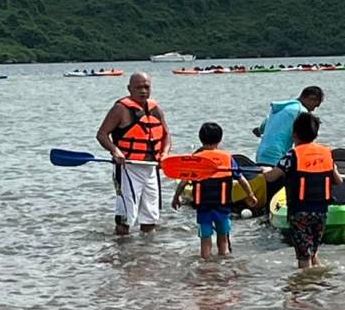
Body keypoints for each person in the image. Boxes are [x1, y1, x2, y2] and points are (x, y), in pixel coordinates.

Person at [263, 112, 345, 269]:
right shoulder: (326, 153)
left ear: (294, 134)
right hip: (321, 212)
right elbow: (338, 180)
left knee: (303, 255)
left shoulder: (292, 155)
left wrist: (264, 170)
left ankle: (306, 287)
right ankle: (318, 282)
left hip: (299, 212)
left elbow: (271, 177)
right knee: (313, 250)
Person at [95, 72, 169, 235]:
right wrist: (115, 151)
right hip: (128, 168)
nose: (143, 91)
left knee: (150, 219)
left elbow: (166, 136)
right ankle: (121, 254)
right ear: (129, 88)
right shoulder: (120, 109)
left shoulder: (155, 109)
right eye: (138, 87)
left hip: (151, 169)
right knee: (125, 220)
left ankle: (147, 255)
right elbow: (102, 134)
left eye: (146, 87)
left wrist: (164, 154)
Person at [170, 122, 240, 259]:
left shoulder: (196, 159)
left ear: (200, 138)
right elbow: (241, 178)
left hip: (204, 207)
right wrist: (250, 195)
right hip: (222, 206)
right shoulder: (227, 158)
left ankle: (206, 265)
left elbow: (184, 181)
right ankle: (224, 261)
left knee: (205, 240)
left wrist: (176, 197)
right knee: (223, 239)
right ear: (220, 139)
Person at [254, 86, 324, 165]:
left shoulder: (280, 108)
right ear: (311, 98)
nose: (313, 110)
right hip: (278, 156)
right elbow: (305, 139)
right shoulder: (301, 111)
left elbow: (261, 129)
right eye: (315, 106)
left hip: (261, 155)